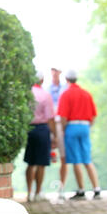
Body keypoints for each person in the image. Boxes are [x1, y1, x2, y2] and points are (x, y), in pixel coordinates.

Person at [57, 69, 101, 200]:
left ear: (67, 80)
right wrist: (87, 126)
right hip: (85, 126)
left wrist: (64, 129)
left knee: (76, 159)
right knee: (87, 159)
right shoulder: (86, 94)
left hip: (72, 126)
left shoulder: (66, 94)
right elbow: (93, 116)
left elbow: (63, 116)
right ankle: (96, 189)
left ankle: (81, 190)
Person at [24, 70, 57, 202]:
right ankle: (38, 193)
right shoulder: (45, 95)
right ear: (42, 80)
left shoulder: (27, 94)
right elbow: (50, 118)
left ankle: (29, 193)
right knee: (41, 162)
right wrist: (54, 135)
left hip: (30, 129)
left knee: (30, 162)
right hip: (42, 129)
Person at [47, 67, 67, 198]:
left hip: (62, 124)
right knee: (45, 157)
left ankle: (61, 188)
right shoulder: (47, 90)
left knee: (64, 158)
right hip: (50, 124)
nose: (54, 72)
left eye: (56, 70)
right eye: (52, 70)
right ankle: (37, 191)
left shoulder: (64, 89)